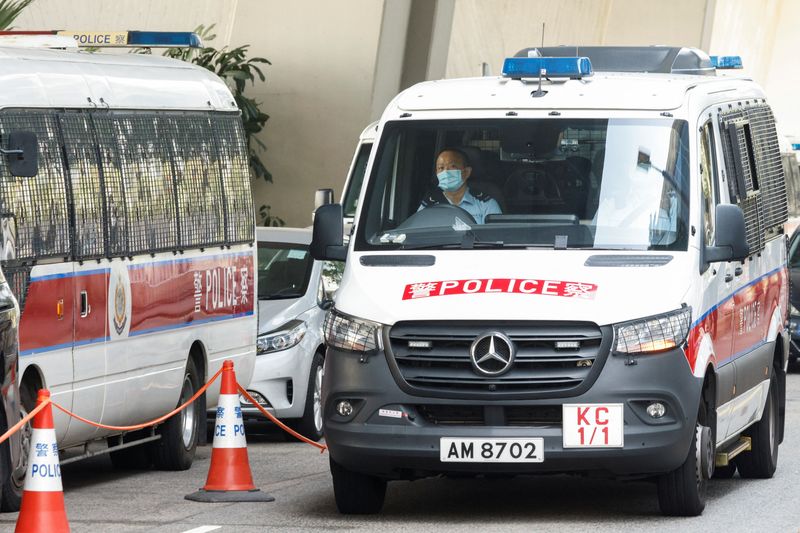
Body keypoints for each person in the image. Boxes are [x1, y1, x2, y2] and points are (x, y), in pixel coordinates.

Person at [418, 148, 502, 224]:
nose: (446, 172)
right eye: (441, 168)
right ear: (436, 174)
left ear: (466, 172)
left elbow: (496, 237)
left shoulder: (486, 204)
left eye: (452, 166)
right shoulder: (428, 206)